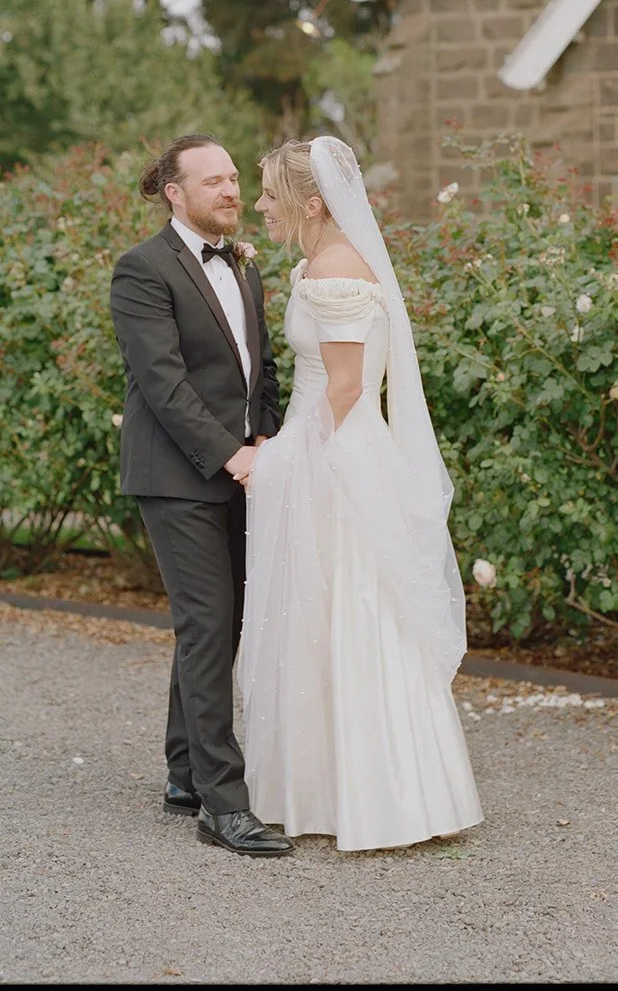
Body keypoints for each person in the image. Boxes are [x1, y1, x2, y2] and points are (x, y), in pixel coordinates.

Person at [239, 136, 483, 852]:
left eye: (268, 195)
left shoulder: (335, 274)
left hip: (334, 459)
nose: (259, 207)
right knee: (331, 618)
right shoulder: (322, 264)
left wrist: (277, 456)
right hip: (333, 451)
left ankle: (375, 798)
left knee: (347, 612)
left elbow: (344, 392)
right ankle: (341, 788)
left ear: (309, 203)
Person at [108, 134, 291, 857]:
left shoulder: (245, 267)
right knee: (211, 623)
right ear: (173, 193)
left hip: (249, 467)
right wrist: (230, 455)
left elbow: (262, 369)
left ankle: (185, 771)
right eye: (213, 181)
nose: (232, 190)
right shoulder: (142, 270)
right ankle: (223, 801)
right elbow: (164, 384)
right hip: (178, 476)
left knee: (223, 624)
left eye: (236, 178)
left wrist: (268, 441)